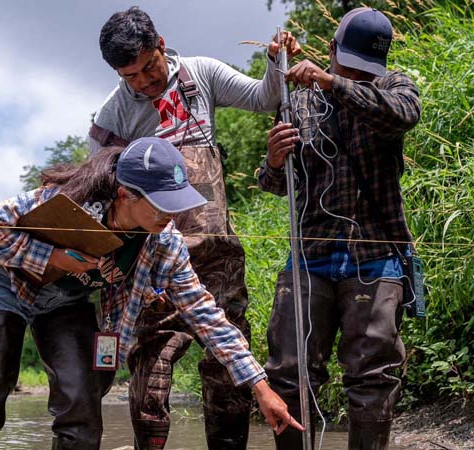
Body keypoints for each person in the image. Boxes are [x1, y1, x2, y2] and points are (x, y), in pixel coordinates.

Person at [0, 137, 301, 450]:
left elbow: (207, 316)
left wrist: (260, 387)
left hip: (66, 303)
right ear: (126, 194)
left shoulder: (165, 244)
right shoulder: (66, 199)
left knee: (81, 405)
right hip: (8, 286)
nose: (172, 216)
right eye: (162, 204)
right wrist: (54, 257)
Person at [91, 7, 301, 449]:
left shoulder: (200, 74)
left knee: (227, 364)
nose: (145, 82)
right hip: (155, 260)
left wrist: (276, 60)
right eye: (131, 76)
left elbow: (265, 98)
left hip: (216, 254)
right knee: (152, 371)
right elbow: (103, 193)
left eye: (149, 67)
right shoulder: (111, 119)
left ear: (161, 45)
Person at [258, 7, 422, 450]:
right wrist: (273, 161)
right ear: (331, 49)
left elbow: (406, 114)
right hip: (310, 256)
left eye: (362, 69)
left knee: (373, 376)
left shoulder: (392, 87)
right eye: (345, 64)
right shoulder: (299, 103)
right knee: (288, 373)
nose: (353, 73)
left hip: (375, 255)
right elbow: (274, 185)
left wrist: (334, 82)